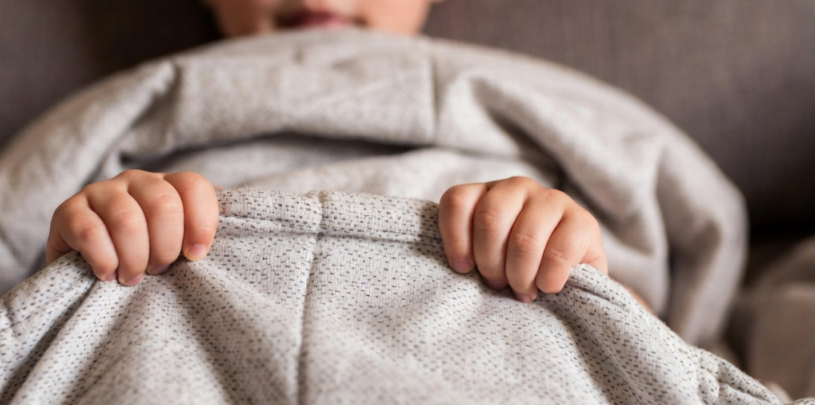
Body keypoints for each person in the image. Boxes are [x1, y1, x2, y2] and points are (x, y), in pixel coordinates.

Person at [45, 0, 609, 305]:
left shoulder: (560, 127)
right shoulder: (101, 134)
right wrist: (85, 251)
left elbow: (668, 352)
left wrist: (570, 263)